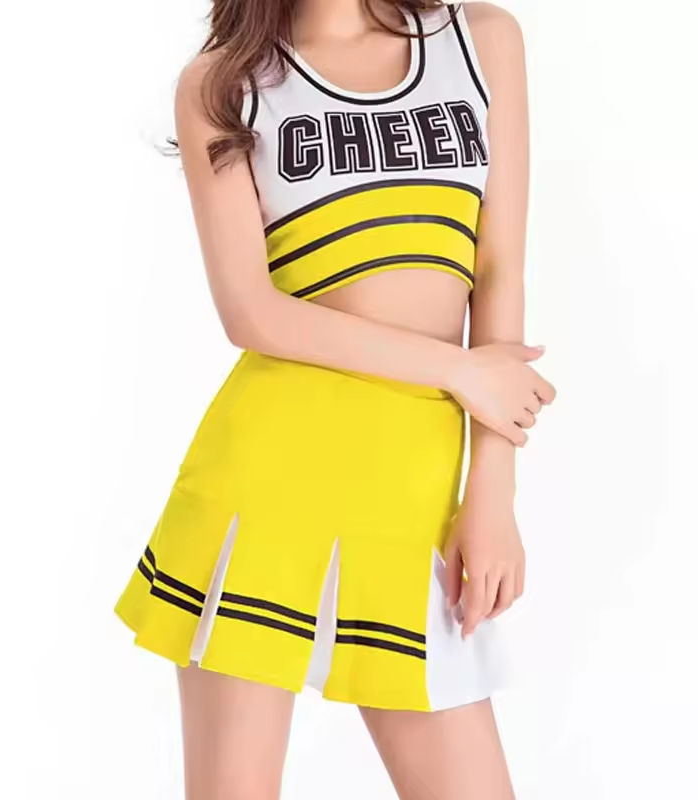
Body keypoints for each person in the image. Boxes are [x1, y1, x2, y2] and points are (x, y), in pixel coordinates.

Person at [114, 1, 556, 797]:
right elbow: (251, 314)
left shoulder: (481, 41)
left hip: (413, 504)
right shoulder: (222, 85)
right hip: (263, 496)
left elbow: (498, 271)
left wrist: (492, 495)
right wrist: (456, 370)